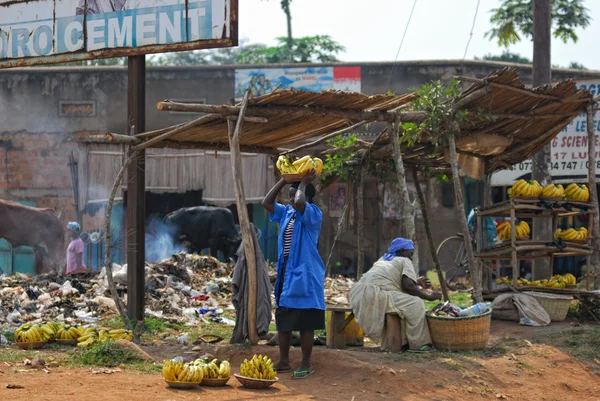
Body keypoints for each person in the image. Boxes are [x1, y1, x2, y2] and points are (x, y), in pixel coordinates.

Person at [262, 170, 324, 380]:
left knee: (306, 320)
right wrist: (283, 181)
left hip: (305, 272)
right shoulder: (287, 213)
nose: (289, 199)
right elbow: (267, 203)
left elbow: (299, 203)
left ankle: (306, 361)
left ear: (306, 195)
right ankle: (284, 360)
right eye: (288, 195)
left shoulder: (313, 213)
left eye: (293, 194)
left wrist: (303, 184)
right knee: (284, 317)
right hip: (286, 272)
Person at [349, 238, 441, 353]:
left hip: (358, 294)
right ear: (402, 251)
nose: (411, 257)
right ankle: (419, 344)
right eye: (410, 254)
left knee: (402, 304)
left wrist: (416, 282)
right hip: (375, 294)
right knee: (415, 303)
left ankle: (402, 343)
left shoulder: (383, 259)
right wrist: (429, 296)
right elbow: (408, 287)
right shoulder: (404, 260)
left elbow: (393, 281)